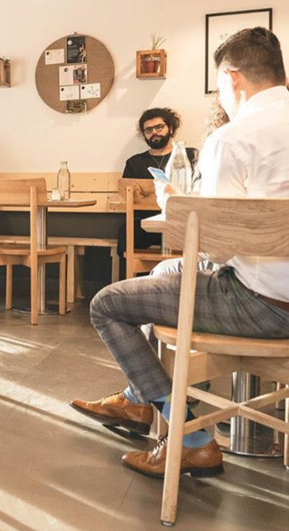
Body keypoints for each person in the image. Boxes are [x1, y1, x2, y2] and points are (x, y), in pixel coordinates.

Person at [70, 27, 289, 478]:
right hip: (277, 289)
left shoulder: (232, 138)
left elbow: (214, 243)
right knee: (169, 269)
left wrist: (174, 204)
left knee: (107, 304)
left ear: (231, 79)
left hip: (266, 306)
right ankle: (137, 402)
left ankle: (191, 438)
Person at [118, 108, 198, 258]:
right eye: (148, 130)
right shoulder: (134, 162)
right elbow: (125, 197)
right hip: (146, 222)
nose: (154, 132)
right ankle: (129, 276)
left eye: (159, 127)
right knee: (127, 229)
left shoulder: (189, 155)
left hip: (180, 220)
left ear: (171, 128)